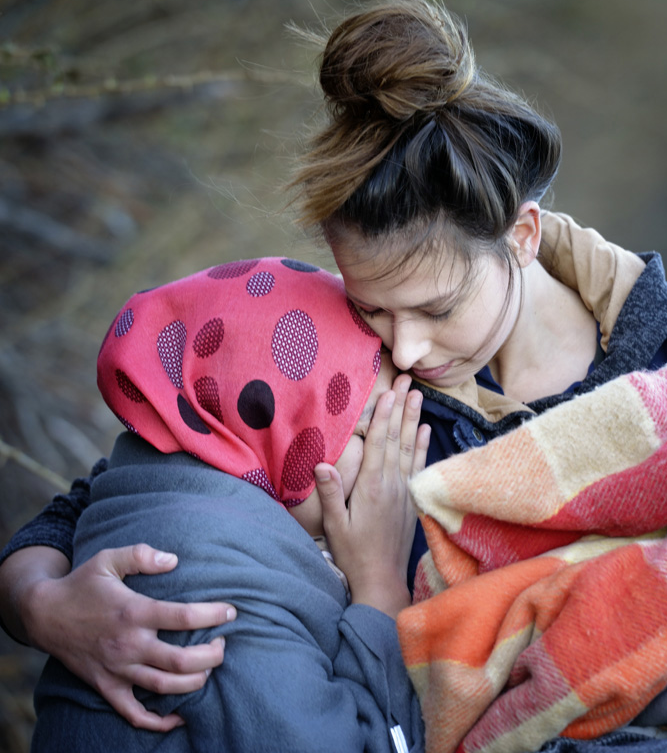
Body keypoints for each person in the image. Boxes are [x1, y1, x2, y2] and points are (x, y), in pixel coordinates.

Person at [2, 0, 667, 748]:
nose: (405, 351)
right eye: (373, 309)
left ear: (521, 235)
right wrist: (38, 602)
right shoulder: (339, 368)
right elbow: (139, 482)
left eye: (437, 310)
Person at [30, 256, 428, 752]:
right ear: (267, 426)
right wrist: (381, 593)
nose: (393, 469)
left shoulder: (164, 484)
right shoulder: (219, 601)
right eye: (370, 432)